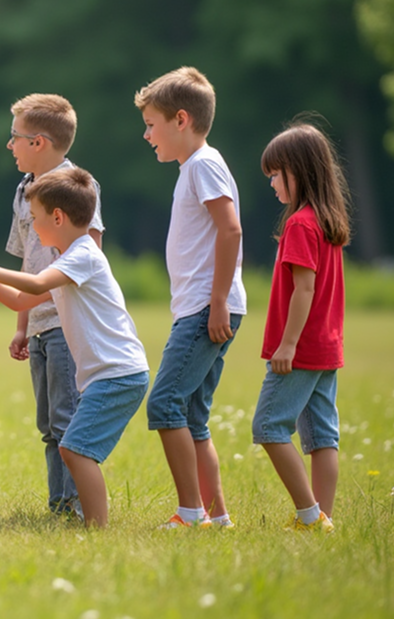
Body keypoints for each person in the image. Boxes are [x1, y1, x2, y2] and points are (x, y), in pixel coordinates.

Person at [0, 167, 148, 528]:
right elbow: (21, 301)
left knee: (74, 448)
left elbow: (36, 283)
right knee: (75, 448)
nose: (33, 228)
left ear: (58, 217)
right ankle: (92, 524)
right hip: (109, 374)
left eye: (35, 218)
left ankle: (96, 527)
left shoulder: (83, 255)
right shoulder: (66, 258)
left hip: (119, 373)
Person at [134, 66, 246, 529]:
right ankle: (216, 517)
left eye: (151, 124)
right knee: (193, 418)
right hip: (201, 306)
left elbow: (231, 228)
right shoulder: (192, 167)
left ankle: (189, 512)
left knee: (164, 406)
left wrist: (217, 301)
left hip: (206, 307)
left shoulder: (203, 164)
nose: (146, 135)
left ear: (181, 119)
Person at [2, 93, 106, 516]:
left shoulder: (77, 185)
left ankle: (76, 507)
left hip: (68, 323)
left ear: (39, 142)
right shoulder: (24, 190)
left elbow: (89, 257)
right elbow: (28, 261)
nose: (10, 145)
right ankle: (59, 504)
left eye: (16, 137)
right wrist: (21, 325)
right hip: (41, 325)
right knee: (48, 425)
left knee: (67, 421)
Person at [251, 122, 350, 532]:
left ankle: (309, 515)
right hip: (327, 347)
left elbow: (304, 289)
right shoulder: (327, 222)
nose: (272, 182)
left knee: (268, 426)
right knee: (322, 437)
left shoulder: (300, 224)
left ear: (301, 171)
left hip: (302, 350)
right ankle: (323, 519)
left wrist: (287, 344)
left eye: (276, 173)